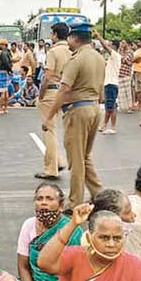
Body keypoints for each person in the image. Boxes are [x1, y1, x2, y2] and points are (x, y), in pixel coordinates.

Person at [42, 23, 105, 212]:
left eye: (70, 37)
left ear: (75, 38)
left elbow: (64, 90)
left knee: (76, 160)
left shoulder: (76, 59)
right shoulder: (99, 57)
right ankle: (99, 195)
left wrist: (49, 116)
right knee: (85, 157)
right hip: (94, 108)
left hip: (78, 110)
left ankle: (75, 202)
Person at [17, 183, 82, 281]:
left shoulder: (72, 230)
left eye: (49, 199)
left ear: (61, 206)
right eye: (39, 199)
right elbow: (23, 266)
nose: (44, 203)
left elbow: (76, 273)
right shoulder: (29, 225)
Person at [95, 31, 120, 135]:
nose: (108, 47)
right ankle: (108, 126)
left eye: (110, 45)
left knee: (110, 107)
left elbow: (105, 46)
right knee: (111, 106)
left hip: (111, 83)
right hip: (111, 83)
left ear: (113, 46)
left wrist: (98, 36)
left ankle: (108, 126)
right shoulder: (112, 58)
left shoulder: (115, 55)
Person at [117, 40, 135, 114]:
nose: (122, 44)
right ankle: (122, 106)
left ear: (127, 44)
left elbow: (124, 60)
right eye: (121, 43)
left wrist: (120, 53)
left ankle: (129, 107)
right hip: (120, 73)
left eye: (124, 43)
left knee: (127, 92)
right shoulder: (121, 52)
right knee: (121, 92)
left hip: (126, 73)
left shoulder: (130, 52)